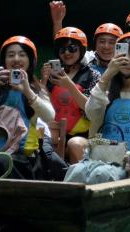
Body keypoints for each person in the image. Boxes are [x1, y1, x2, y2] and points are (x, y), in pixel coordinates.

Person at [64, 31, 130, 183]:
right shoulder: (108, 93)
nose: (126, 59)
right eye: (122, 54)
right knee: (76, 170)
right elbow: (91, 112)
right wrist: (108, 74)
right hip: (101, 157)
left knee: (102, 174)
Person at [0, 36, 66, 180]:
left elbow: (49, 117)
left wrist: (27, 91)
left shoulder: (36, 90)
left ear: (30, 60)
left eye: (22, 54)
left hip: (21, 158)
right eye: (10, 55)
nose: (16, 59)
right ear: (4, 61)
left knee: (3, 162)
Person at [41, 27, 100, 163]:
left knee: (75, 144)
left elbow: (91, 110)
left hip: (81, 136)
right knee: (49, 136)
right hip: (54, 131)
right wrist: (43, 82)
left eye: (72, 49)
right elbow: (42, 105)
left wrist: (69, 85)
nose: (67, 53)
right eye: (63, 50)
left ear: (81, 50)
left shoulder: (93, 76)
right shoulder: (51, 75)